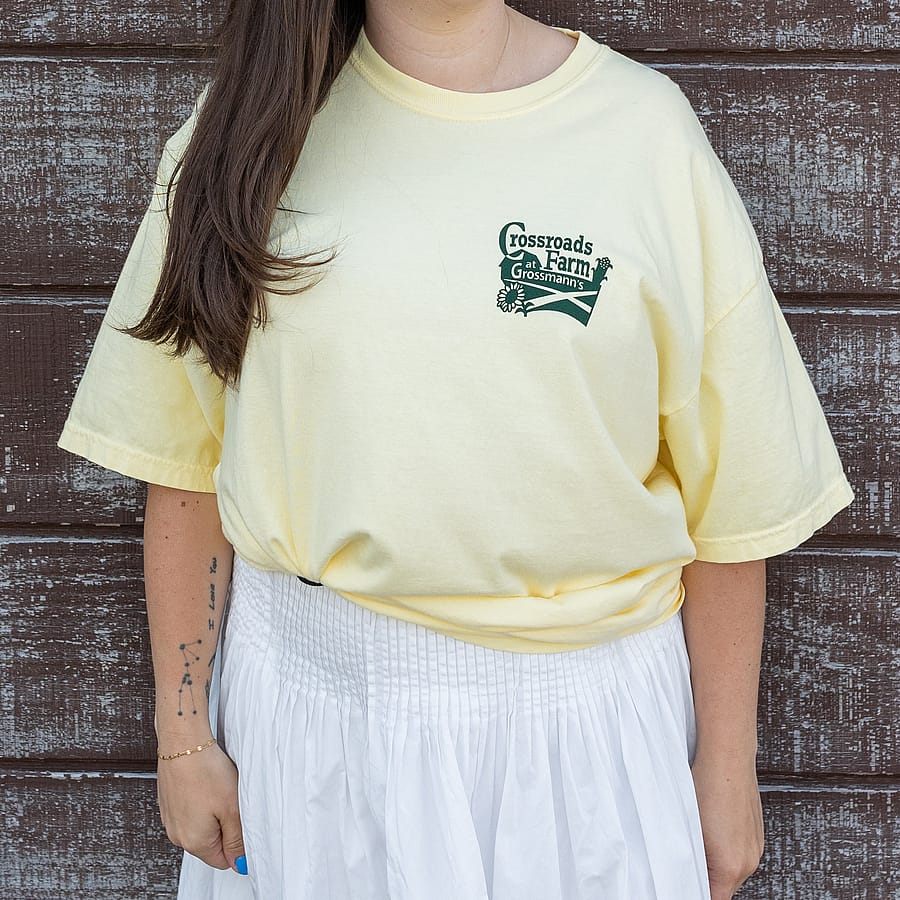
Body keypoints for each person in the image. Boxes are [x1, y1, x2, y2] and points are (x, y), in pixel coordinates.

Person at [56, 1, 855, 898]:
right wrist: (183, 736)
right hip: (307, 728)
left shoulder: (645, 134)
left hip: (584, 739)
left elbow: (733, 501)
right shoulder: (244, 130)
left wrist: (727, 763)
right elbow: (185, 466)